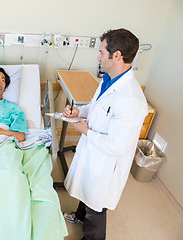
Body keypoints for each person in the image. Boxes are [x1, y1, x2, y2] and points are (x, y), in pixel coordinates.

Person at [62, 29, 148, 240]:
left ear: (116, 55)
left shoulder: (131, 99)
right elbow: (95, 107)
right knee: (85, 191)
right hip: (93, 151)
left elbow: (118, 146)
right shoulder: (108, 79)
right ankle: (79, 215)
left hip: (106, 164)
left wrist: (86, 131)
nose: (98, 57)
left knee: (96, 209)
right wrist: (78, 112)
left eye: (101, 52)